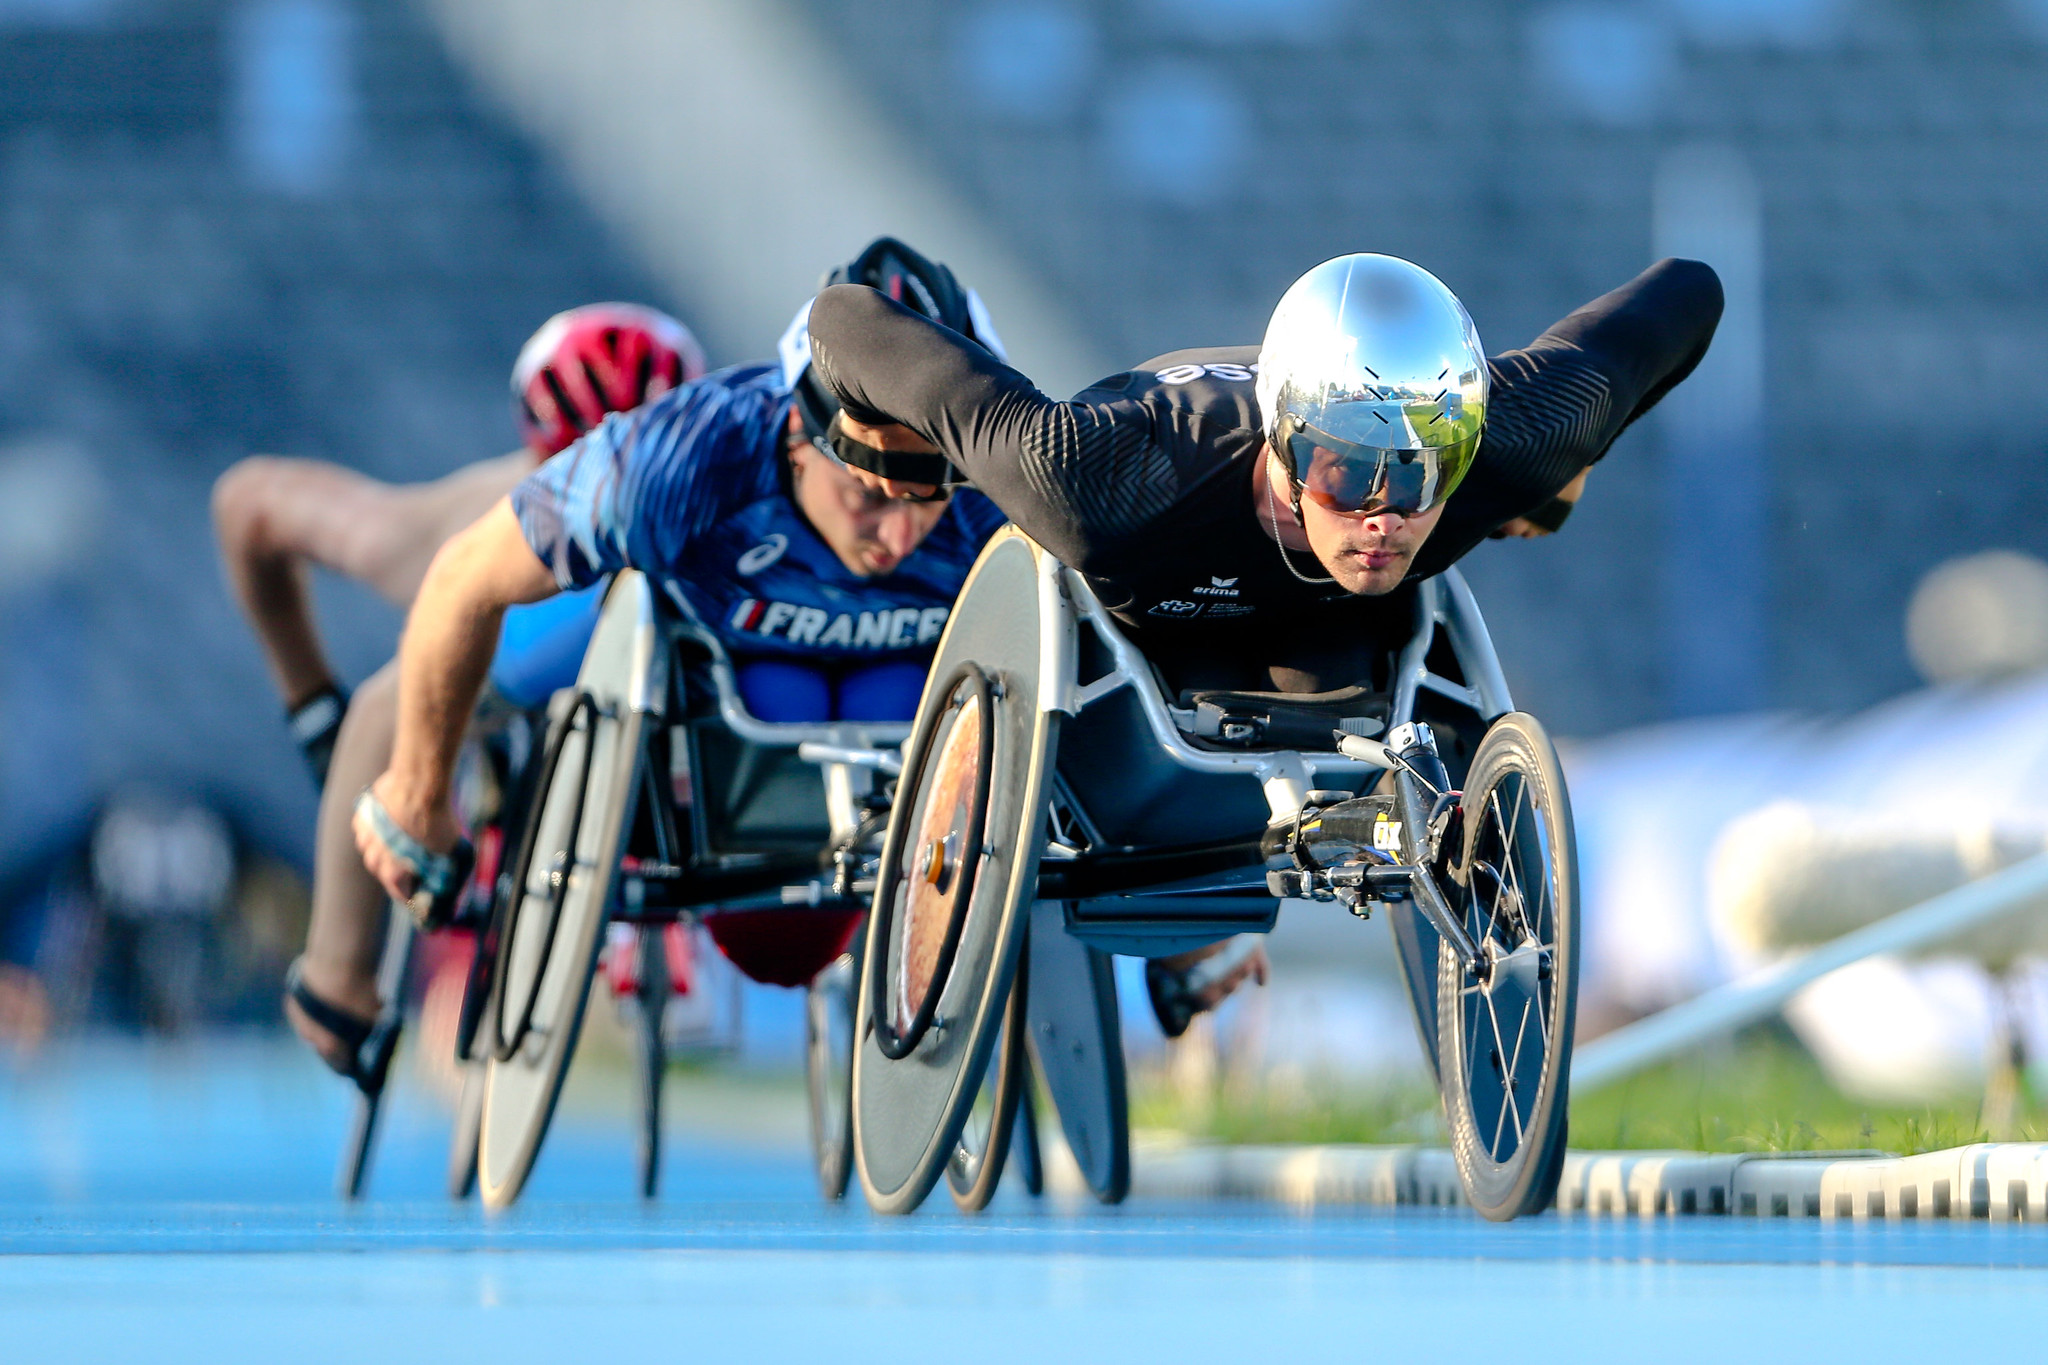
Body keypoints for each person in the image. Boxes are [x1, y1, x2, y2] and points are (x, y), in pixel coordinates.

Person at [801, 251, 1723, 1028]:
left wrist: (1577, 453)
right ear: (1284, 446)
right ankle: (1195, 920)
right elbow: (843, 315)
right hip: (1142, 621)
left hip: (1326, 643)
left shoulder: (1498, 446)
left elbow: (1689, 292)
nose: (1382, 516)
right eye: (1344, 473)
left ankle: (1260, 879)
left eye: (1418, 478)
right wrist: (866, 417)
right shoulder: (1098, 471)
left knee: (1480, 531)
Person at [311, 239, 1009, 1083]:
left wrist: (1177, 938)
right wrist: (420, 791)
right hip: (738, 736)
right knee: (774, 933)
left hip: (915, 717)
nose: (899, 537)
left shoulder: (1012, 469)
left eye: (932, 497)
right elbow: (462, 578)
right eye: (868, 495)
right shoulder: (686, 455)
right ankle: (332, 979)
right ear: (798, 431)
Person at [213, 303, 707, 784]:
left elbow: (249, 502)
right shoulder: (442, 530)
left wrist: (312, 706)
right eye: (585, 491)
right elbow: (247, 505)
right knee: (380, 718)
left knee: (380, 722)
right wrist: (316, 713)